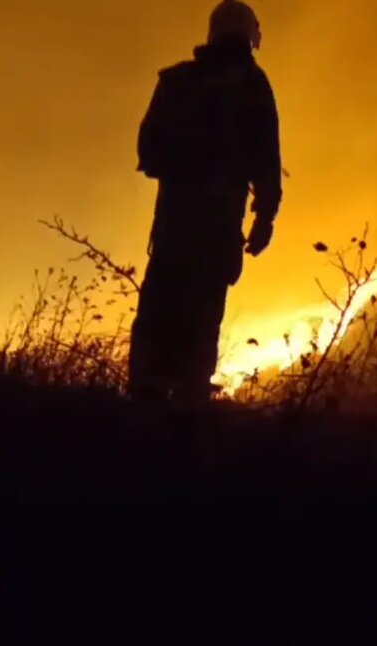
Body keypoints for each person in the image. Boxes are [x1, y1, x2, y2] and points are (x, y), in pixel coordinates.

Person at [129, 0, 283, 404]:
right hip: (215, 229)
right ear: (249, 37)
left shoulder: (177, 82)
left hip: (175, 226)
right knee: (200, 319)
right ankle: (186, 409)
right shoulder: (252, 89)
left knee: (159, 314)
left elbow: (148, 152)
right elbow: (268, 162)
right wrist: (263, 220)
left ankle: (146, 405)